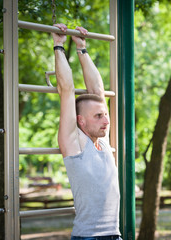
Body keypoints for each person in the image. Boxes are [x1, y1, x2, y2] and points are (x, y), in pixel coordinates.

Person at [52, 23, 121, 240]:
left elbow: (98, 92)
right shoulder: (75, 143)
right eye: (99, 116)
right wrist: (58, 45)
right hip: (88, 237)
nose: (106, 120)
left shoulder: (103, 142)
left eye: (105, 115)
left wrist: (82, 49)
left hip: (115, 235)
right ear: (80, 121)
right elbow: (67, 90)